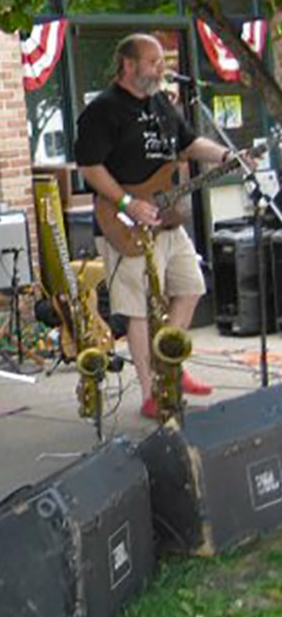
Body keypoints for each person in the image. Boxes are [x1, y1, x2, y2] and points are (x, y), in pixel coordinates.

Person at [74, 33, 238, 419]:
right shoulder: (103, 110)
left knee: (191, 288)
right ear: (128, 65)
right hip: (124, 223)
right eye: (152, 62)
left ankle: (171, 370)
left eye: (161, 62)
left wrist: (226, 155)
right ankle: (151, 393)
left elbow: (188, 143)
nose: (160, 69)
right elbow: (90, 168)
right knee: (138, 312)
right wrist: (128, 202)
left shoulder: (162, 103)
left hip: (165, 221)